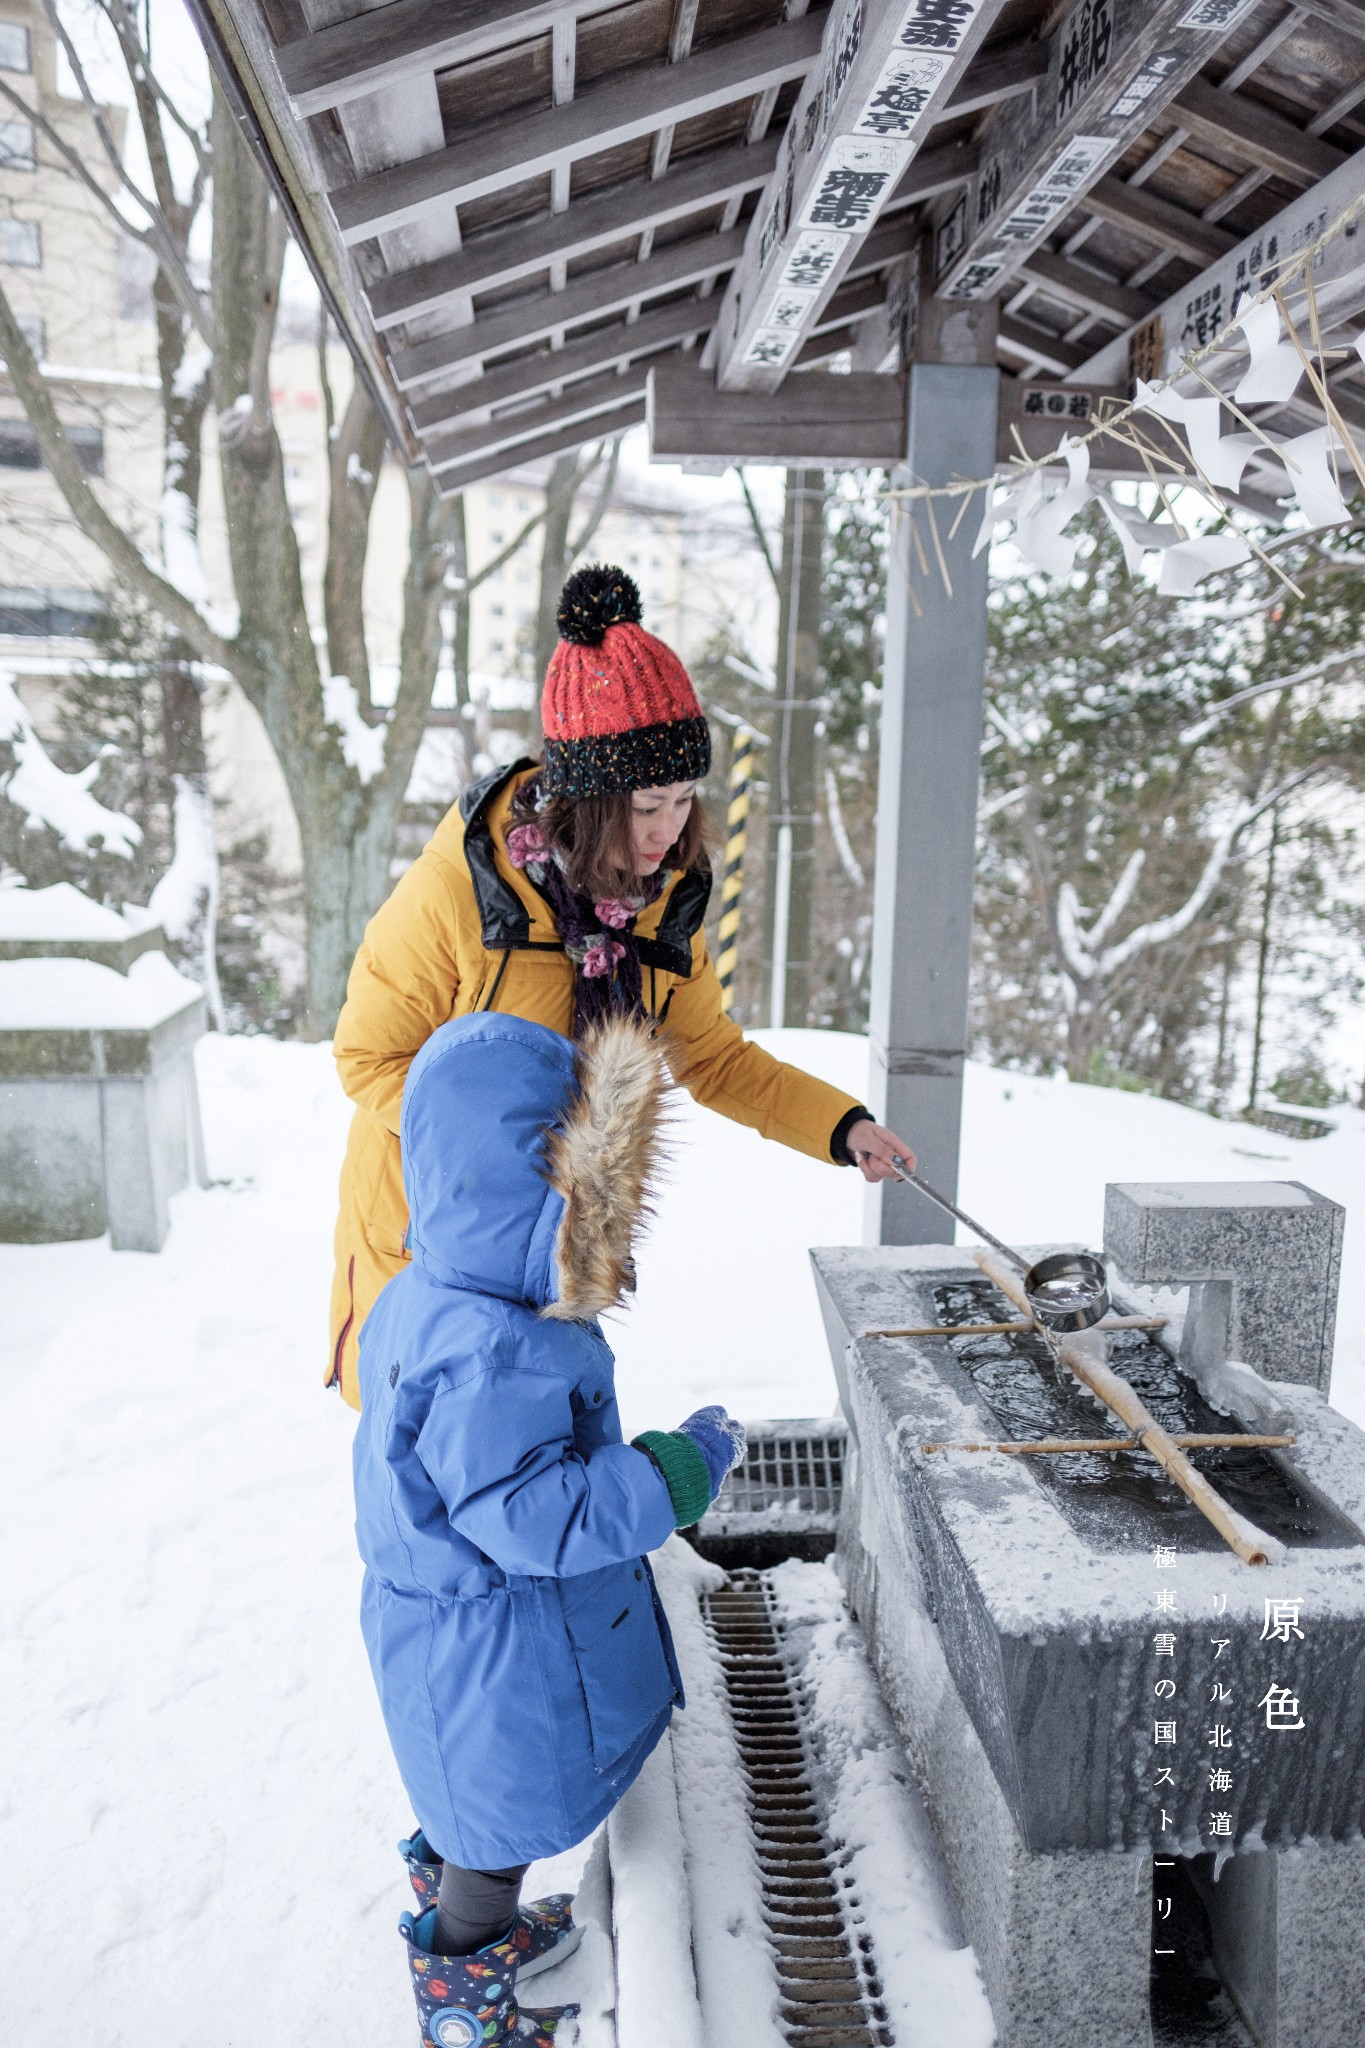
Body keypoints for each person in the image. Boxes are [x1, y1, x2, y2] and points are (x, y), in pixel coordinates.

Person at [328, 562, 917, 1408]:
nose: (668, 829)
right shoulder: (463, 892)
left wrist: (842, 1127)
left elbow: (712, 1060)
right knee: (440, 1466)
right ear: (588, 798)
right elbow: (368, 1059)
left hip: (560, 1242)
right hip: (432, 1235)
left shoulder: (658, 906)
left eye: (683, 800)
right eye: (646, 805)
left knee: (531, 1458)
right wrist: (501, 1157)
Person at [351, 1006, 749, 2048]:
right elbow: (542, 1517)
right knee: (489, 1840)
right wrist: (673, 1468)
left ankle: (474, 1920)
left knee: (468, 1804)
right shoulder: (495, 1344)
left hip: (454, 1639)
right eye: (588, 1186)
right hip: (501, 1651)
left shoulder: (430, 1290)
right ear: (538, 1184)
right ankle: (469, 2005)